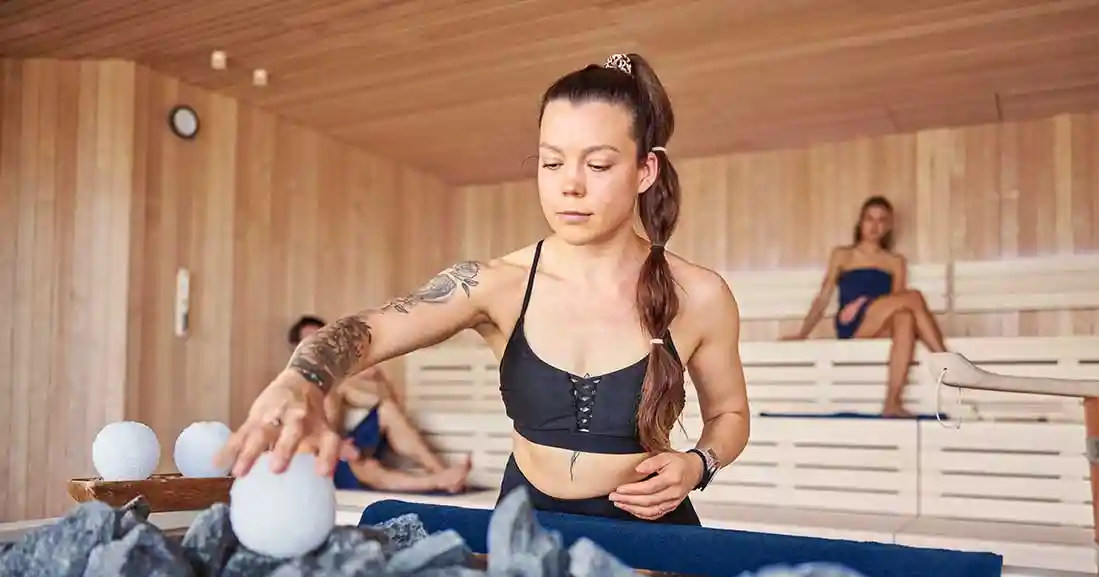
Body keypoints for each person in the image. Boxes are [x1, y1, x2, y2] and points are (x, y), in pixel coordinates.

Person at [220, 53, 750, 525]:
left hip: (652, 537)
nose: (570, 184)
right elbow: (371, 329)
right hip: (526, 529)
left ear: (644, 170)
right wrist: (303, 379)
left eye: (598, 164)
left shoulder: (700, 295)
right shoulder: (497, 284)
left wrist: (697, 464)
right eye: (551, 162)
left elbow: (729, 415)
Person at [783, 195, 948, 417]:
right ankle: (946, 362)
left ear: (888, 226)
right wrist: (803, 333)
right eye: (869, 219)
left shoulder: (895, 261)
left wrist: (865, 302)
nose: (874, 226)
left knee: (905, 317)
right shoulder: (843, 255)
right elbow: (823, 298)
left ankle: (892, 403)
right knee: (915, 297)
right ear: (860, 222)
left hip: (877, 322)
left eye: (881, 220)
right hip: (852, 323)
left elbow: (898, 301)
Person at [287, 315, 472, 494]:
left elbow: (389, 403)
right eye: (310, 342)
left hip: (343, 448)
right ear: (296, 349)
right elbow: (298, 437)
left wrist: (380, 379)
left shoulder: (337, 386)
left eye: (321, 340)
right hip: (320, 461)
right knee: (365, 466)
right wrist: (338, 447)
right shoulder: (290, 390)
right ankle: (437, 481)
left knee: (387, 411)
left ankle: (442, 472)